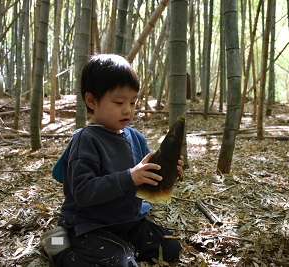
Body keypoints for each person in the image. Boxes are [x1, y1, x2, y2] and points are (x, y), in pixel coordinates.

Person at [42, 54, 183, 266]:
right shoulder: (86, 140)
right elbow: (82, 192)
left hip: (129, 221)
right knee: (121, 264)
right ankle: (57, 247)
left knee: (172, 248)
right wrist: (129, 178)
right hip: (92, 225)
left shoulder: (136, 137)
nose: (128, 109)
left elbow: (147, 183)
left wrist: (168, 171)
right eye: (119, 102)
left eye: (133, 102)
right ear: (91, 100)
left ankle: (123, 247)